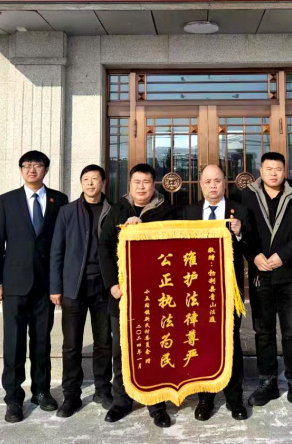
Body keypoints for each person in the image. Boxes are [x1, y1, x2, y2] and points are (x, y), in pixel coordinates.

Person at [0, 151, 69, 423]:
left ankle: (41, 391)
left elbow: (62, 243)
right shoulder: (7, 200)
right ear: (21, 170)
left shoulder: (59, 200)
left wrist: (60, 282)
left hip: (45, 284)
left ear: (46, 169)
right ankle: (13, 398)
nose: (32, 170)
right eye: (26, 165)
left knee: (42, 341)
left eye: (37, 165)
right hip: (14, 283)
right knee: (13, 343)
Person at [98, 163, 178, 428]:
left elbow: (174, 247)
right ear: (129, 185)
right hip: (122, 295)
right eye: (137, 182)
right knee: (121, 349)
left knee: (155, 347)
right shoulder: (117, 210)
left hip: (156, 296)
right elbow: (104, 248)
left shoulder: (167, 211)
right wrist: (112, 285)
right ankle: (122, 400)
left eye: (146, 182)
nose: (141, 187)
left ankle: (156, 404)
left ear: (154, 185)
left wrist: (142, 230)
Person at [241, 152, 292, 414]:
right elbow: (241, 231)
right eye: (268, 168)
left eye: (278, 169)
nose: (273, 173)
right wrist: (254, 255)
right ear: (260, 170)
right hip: (260, 273)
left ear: (285, 171)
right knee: (263, 331)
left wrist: (281, 256)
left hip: (289, 275)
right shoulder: (248, 196)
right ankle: (267, 382)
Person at [181, 164, 255, 421]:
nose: (213, 185)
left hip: (228, 290)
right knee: (201, 342)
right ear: (200, 184)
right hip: (198, 290)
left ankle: (235, 399)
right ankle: (205, 399)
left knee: (230, 341)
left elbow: (252, 248)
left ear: (225, 183)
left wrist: (240, 233)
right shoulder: (189, 213)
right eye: (208, 181)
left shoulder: (240, 211)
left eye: (217, 181)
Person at [49, 164, 113, 418]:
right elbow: (57, 250)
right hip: (73, 286)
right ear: (81, 183)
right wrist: (56, 287)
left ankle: (102, 390)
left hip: (103, 287)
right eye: (86, 179)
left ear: (103, 183)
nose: (90, 183)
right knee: (71, 345)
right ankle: (71, 395)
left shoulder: (112, 210)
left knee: (104, 343)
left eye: (95, 179)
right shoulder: (67, 212)